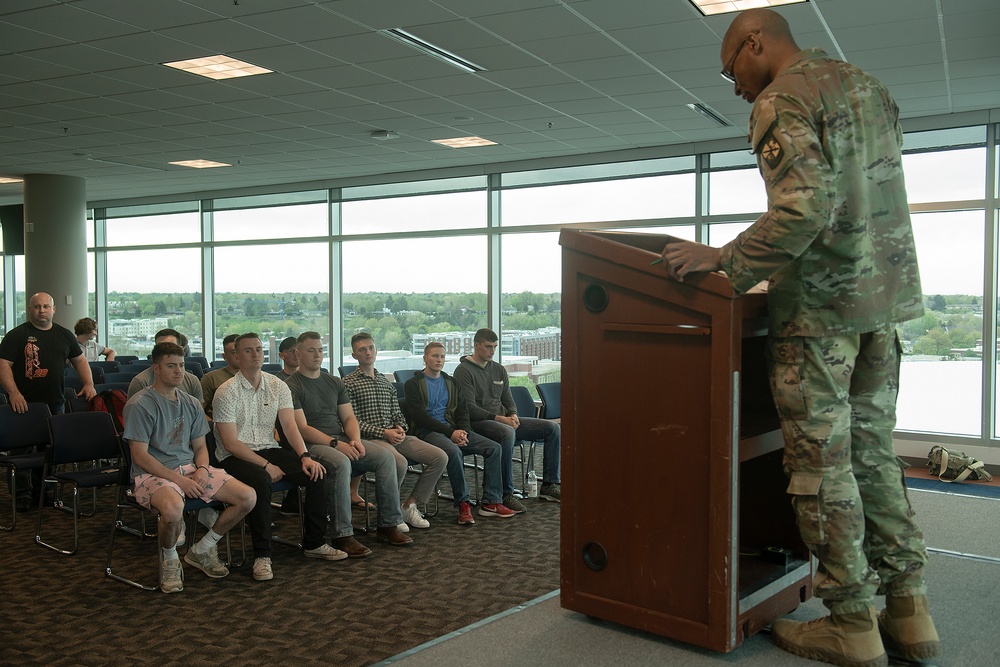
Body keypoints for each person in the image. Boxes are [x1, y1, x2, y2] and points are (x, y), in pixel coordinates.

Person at [659, 9, 938, 666]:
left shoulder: (781, 99)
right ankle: (909, 609)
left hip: (820, 316)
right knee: (873, 457)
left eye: (733, 69)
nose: (734, 88)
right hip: (880, 307)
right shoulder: (868, 85)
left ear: (756, 41)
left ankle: (850, 621)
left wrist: (723, 259)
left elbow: (803, 208)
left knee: (823, 467)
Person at [122, 342, 256, 593]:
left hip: (190, 469)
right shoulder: (140, 405)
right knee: (173, 511)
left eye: (181, 366)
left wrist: (203, 469)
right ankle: (170, 558)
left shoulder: (191, 403)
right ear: (156, 369)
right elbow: (140, 457)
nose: (178, 371)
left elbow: (200, 447)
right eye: (171, 366)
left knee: (247, 497)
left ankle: (203, 549)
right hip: (153, 474)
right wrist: (180, 481)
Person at [213, 332, 347, 581]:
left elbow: (289, 426)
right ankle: (263, 555)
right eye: (248, 350)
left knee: (318, 471)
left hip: (267, 447)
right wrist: (265, 464)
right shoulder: (226, 391)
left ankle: (314, 543)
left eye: (259, 349)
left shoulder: (277, 385)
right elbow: (230, 443)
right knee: (261, 479)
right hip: (235, 456)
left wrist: (305, 456)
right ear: (237, 357)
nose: (255, 354)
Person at [286, 332, 412, 549]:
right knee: (341, 462)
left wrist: (355, 440)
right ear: (298, 354)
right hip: (312, 444)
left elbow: (348, 417)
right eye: (311, 350)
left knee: (385, 457)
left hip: (341, 438)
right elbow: (302, 428)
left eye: (320, 350)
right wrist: (336, 444)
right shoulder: (291, 385)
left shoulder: (333, 382)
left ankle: (388, 524)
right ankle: (342, 534)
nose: (317, 355)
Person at [0, 293, 97, 511]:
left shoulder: (64, 335)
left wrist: (89, 384)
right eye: (37, 306)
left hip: (55, 403)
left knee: (50, 452)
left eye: (46, 306)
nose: (41, 310)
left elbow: (80, 360)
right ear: (29, 309)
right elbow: (3, 365)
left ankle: (45, 493)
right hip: (23, 404)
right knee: (22, 452)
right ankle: (22, 495)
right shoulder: (17, 335)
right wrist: (13, 393)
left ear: (54, 309)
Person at [343, 332, 448, 530]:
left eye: (371, 348)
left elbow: (397, 412)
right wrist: (384, 433)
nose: (368, 352)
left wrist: (401, 427)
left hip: (396, 436)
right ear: (354, 355)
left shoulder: (384, 381)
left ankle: (409, 505)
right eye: (362, 350)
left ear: (376, 350)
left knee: (440, 457)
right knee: (399, 462)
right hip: (371, 439)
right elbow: (351, 422)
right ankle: (389, 515)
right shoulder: (348, 383)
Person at [404, 342, 514, 524]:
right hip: (428, 432)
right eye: (434, 356)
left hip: (453, 429)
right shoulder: (413, 384)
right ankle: (463, 503)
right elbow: (420, 417)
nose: (439, 360)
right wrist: (451, 433)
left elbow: (463, 411)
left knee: (494, 447)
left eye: (442, 356)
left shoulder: (451, 382)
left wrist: (463, 431)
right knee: (453, 451)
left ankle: (491, 502)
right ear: (425, 359)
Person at [454, 328, 561, 509]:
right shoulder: (463, 371)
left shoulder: (498, 369)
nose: (492, 351)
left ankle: (549, 485)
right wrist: (500, 419)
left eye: (495, 347)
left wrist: (513, 414)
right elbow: (469, 409)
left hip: (502, 420)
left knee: (552, 428)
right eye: (488, 347)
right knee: (506, 433)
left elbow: (507, 399)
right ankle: (505, 494)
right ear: (477, 345)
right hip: (479, 423)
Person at [126, 328, 204, 402]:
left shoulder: (192, 381)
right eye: (160, 348)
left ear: (181, 349)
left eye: (171, 347)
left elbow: (199, 413)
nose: (165, 351)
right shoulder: (141, 382)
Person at [201, 333, 240, 418]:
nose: (239, 356)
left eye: (244, 351)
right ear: (225, 357)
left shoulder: (256, 378)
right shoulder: (211, 378)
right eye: (234, 352)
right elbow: (199, 411)